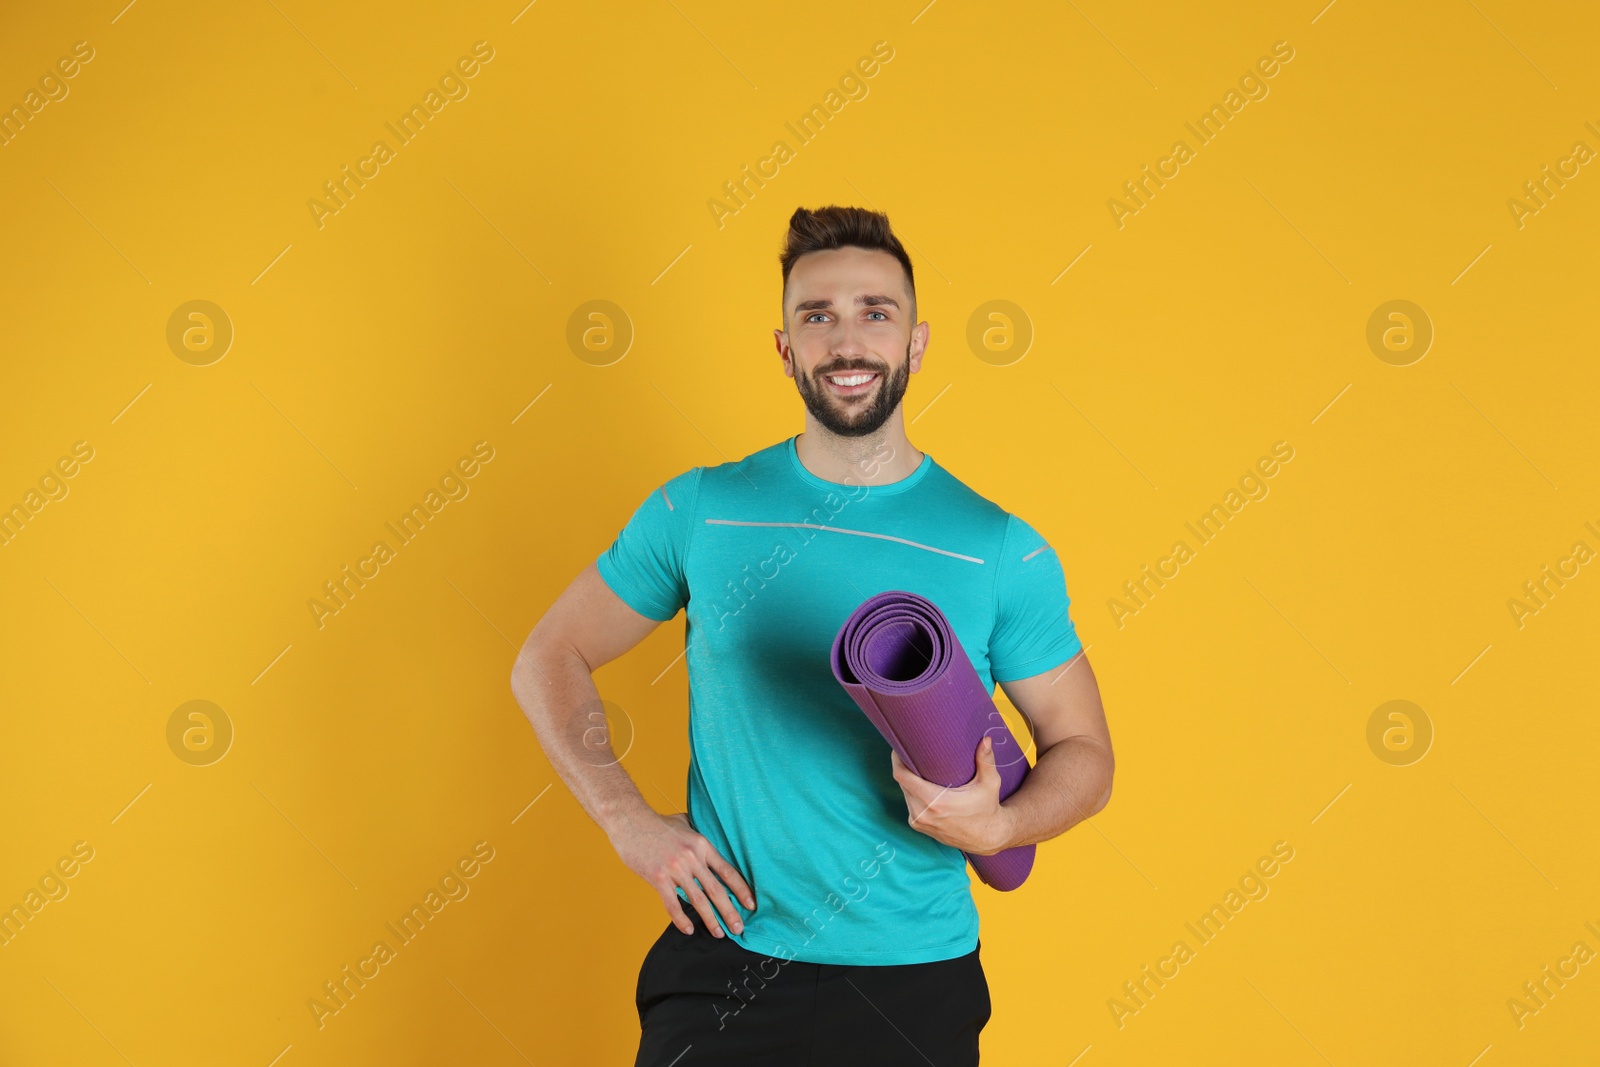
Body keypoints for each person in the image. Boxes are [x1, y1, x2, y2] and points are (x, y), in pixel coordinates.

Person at [510, 205, 1114, 1065]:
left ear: (918, 340)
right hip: (723, 964)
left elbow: (1085, 751)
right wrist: (626, 819)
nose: (848, 340)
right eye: (816, 315)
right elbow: (548, 656)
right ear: (786, 346)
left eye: (877, 311)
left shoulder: (996, 547)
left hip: (915, 976)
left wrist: (1002, 829)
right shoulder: (702, 510)